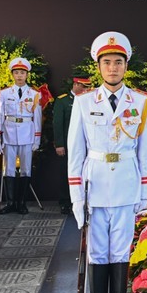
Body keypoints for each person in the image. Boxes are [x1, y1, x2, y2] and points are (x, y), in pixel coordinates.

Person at [67, 31, 147, 293]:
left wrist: (144, 192)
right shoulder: (83, 102)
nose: (113, 68)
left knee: (120, 251)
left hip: (126, 186)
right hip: (95, 187)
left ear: (126, 66)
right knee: (97, 253)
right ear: (99, 67)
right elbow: (76, 153)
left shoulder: (141, 102)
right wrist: (77, 198)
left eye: (118, 62)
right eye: (107, 62)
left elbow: (145, 151)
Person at [0, 57, 41, 214]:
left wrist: (37, 138)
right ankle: (11, 202)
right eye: (16, 73)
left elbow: (37, 118)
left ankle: (22, 203)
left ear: (27, 74)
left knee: (25, 169)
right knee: (8, 170)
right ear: (12, 75)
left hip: (27, 134)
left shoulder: (34, 94)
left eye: (22, 73)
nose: (19, 76)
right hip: (8, 133)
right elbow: (0, 116)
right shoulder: (5, 93)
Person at [53, 76, 92, 214]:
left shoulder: (89, 100)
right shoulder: (63, 100)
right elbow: (57, 123)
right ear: (76, 85)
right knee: (66, 172)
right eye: (84, 86)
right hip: (68, 143)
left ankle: (84, 200)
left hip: (86, 144)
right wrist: (59, 144)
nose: (86, 89)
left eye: (88, 87)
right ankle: (65, 202)